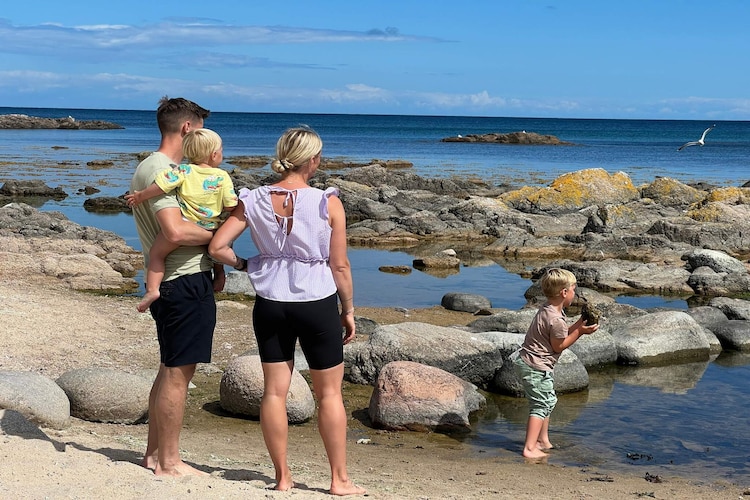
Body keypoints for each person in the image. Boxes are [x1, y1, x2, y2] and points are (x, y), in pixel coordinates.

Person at [208, 126, 365, 496]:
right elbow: (340, 265)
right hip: (317, 301)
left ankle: (282, 477)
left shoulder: (254, 199)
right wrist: (348, 309)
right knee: (330, 395)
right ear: (313, 160)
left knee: (274, 393)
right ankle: (339, 480)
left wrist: (247, 265)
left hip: (271, 302)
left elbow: (217, 247)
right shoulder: (327, 202)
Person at [130, 96, 226, 477]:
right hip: (182, 281)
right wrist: (219, 237)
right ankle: (169, 462)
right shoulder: (162, 168)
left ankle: (154, 454)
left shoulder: (159, 169)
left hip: (176, 279)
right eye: (201, 129)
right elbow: (174, 230)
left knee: (168, 368)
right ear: (187, 128)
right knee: (178, 374)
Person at [126, 128, 238, 312]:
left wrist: (141, 196)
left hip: (185, 222)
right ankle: (221, 273)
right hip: (210, 226)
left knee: (156, 254)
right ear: (214, 154)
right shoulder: (223, 176)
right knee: (218, 248)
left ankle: (152, 290)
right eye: (221, 150)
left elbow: (161, 186)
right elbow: (230, 204)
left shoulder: (183, 170)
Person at [512, 268, 599, 459]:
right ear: (564, 292)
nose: (575, 294)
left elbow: (561, 333)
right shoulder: (556, 319)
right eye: (574, 289)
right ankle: (529, 448)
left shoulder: (548, 310)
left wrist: (580, 323)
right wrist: (580, 333)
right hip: (536, 366)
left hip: (531, 362)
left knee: (548, 401)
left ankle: (542, 440)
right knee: (541, 404)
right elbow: (559, 345)